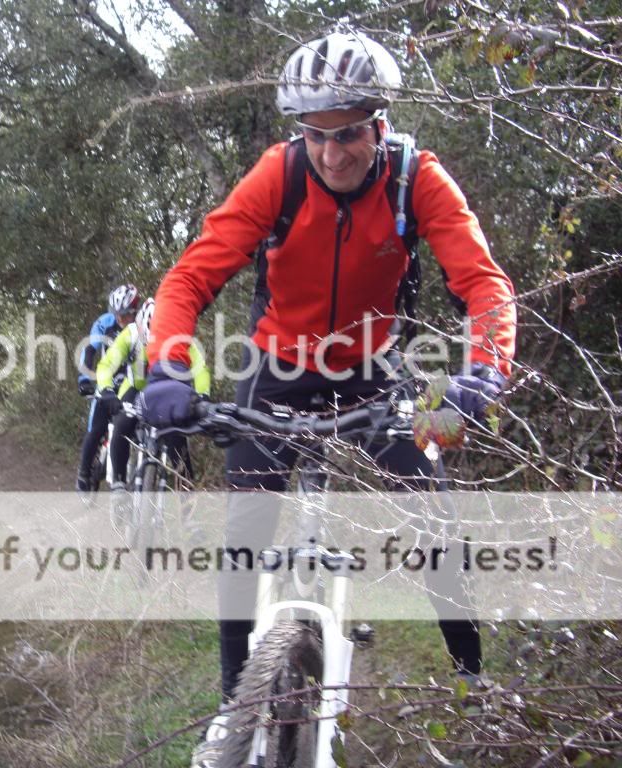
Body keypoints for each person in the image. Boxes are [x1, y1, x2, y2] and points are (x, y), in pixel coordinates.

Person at [138, 31, 516, 767]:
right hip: (280, 367)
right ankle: (231, 704)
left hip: (375, 368)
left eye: (348, 134)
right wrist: (171, 369)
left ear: (380, 123)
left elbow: (484, 285)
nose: (332, 152)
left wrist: (481, 374)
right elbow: (187, 281)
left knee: (430, 514)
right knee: (244, 529)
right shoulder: (277, 177)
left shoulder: (417, 180)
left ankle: (474, 679)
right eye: (316, 135)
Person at [95, 298, 211, 493]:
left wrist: (203, 396)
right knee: (122, 423)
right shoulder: (131, 334)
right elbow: (107, 365)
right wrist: (107, 390)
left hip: (167, 390)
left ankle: (189, 512)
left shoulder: (180, 337)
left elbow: (200, 369)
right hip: (135, 389)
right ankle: (118, 484)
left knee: (177, 439)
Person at [76, 283, 141, 492]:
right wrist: (84, 379)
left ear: (135, 311)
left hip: (132, 386)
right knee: (96, 430)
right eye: (117, 314)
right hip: (107, 384)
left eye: (126, 314)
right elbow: (89, 350)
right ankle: (83, 474)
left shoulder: (142, 326)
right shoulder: (105, 323)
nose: (121, 319)